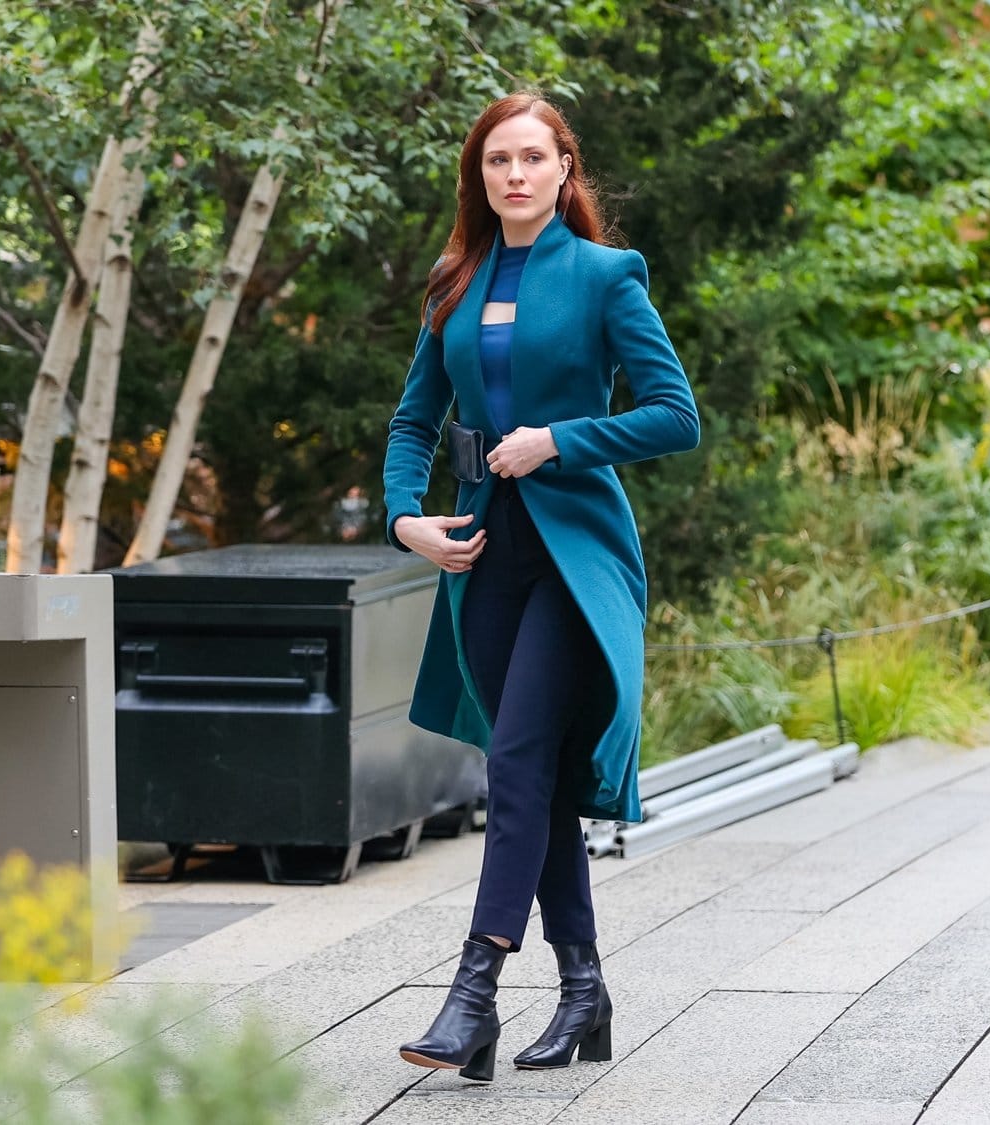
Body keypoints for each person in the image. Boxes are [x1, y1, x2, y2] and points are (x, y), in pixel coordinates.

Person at [382, 91, 700, 1082]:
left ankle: (472, 991)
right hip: (485, 555)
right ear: (480, 179)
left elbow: (673, 414)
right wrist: (406, 520)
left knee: (517, 758)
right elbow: (411, 424)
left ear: (565, 171)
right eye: (495, 162)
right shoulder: (455, 282)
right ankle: (584, 994)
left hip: (577, 551)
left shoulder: (608, 277)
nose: (512, 175)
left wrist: (560, 440)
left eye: (531, 158)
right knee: (541, 777)